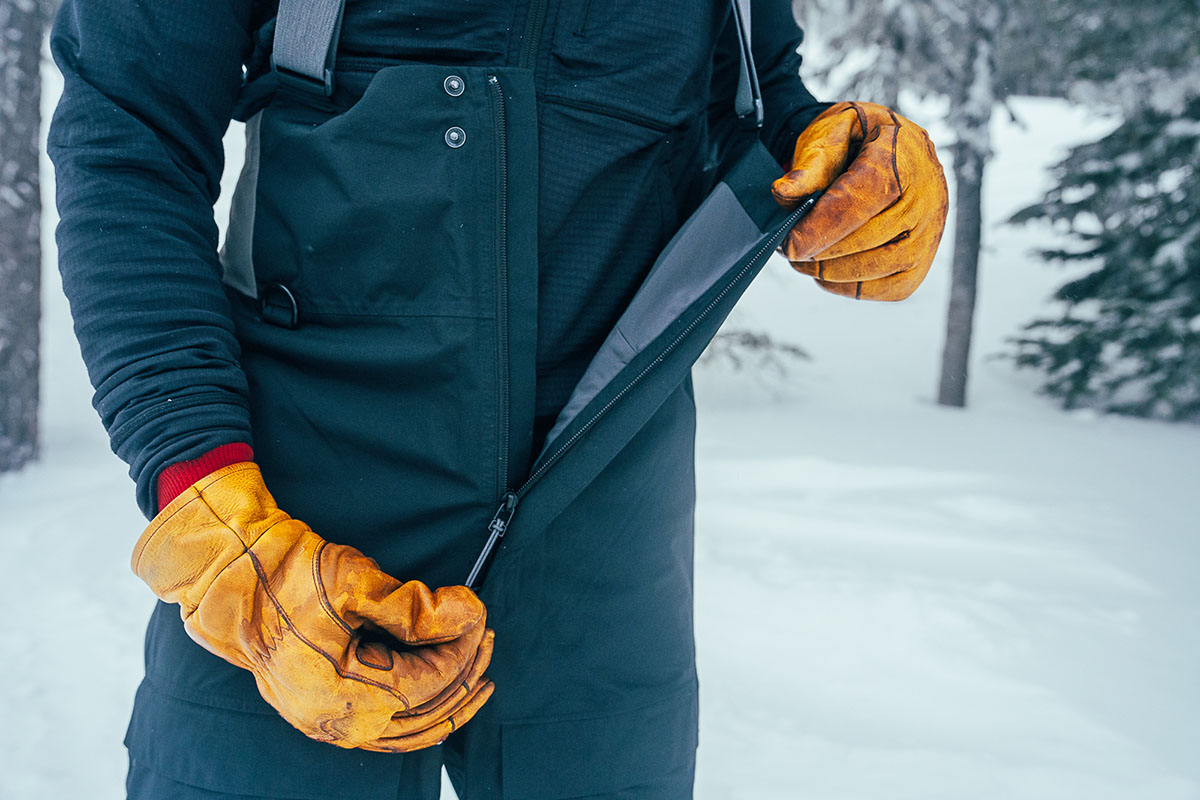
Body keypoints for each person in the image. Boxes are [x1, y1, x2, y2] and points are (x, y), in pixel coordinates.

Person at [48, 0, 948, 797]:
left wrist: (837, 160)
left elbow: (744, 93)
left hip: (607, 524)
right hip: (303, 511)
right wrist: (204, 494)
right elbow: (131, 128)